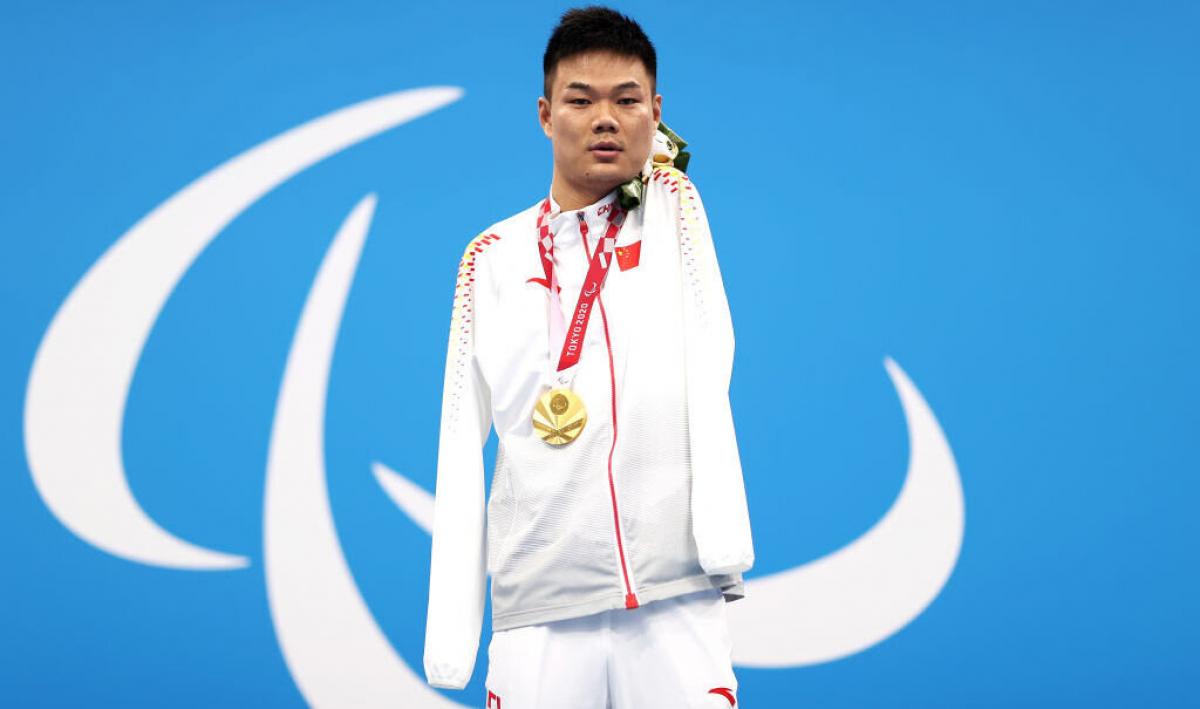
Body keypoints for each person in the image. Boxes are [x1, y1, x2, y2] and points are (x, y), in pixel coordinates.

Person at [423, 6, 755, 707]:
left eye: (627, 100)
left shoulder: (673, 212)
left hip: (675, 595)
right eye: (582, 100)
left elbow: (715, 351)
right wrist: (451, 637)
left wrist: (724, 544)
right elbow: (457, 445)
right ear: (546, 115)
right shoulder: (491, 261)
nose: (605, 118)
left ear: (656, 112)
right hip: (538, 610)